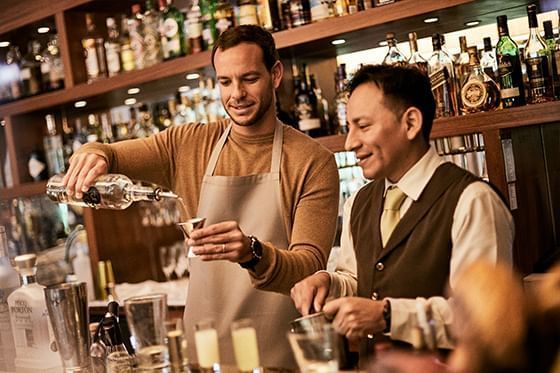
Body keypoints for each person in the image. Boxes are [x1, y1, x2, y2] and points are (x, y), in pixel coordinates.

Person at [63, 25, 339, 368]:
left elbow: (310, 268)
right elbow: (111, 152)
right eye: (225, 82)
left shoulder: (313, 161)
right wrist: (94, 155)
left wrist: (252, 252)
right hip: (203, 358)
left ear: (276, 74)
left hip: (278, 359)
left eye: (249, 78)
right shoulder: (188, 144)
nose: (236, 94)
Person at [290, 64, 514, 363]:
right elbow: (359, 280)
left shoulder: (472, 201)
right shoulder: (358, 202)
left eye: (364, 126)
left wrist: (388, 315)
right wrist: (329, 282)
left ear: (410, 123)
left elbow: (485, 319)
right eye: (349, 127)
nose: (349, 142)